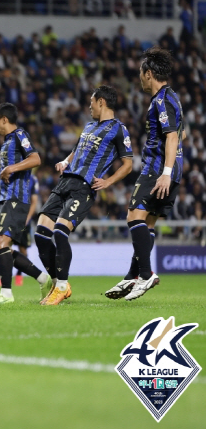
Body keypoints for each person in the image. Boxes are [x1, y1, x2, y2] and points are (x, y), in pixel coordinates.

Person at [35, 86, 133, 305]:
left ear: (101, 102)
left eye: (91, 103)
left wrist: (108, 181)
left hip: (84, 187)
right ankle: (60, 283)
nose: (89, 107)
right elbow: (77, 150)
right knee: (41, 234)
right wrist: (65, 161)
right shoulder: (89, 126)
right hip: (64, 182)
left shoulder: (119, 129)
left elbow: (128, 164)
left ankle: (60, 287)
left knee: (60, 232)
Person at [105, 47, 183, 301]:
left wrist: (166, 173)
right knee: (147, 224)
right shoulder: (169, 98)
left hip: (158, 170)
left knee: (133, 216)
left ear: (149, 74)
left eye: (141, 73)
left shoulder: (161, 100)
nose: (139, 78)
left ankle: (145, 274)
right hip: (169, 170)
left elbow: (171, 136)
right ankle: (133, 275)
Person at [0, 103, 50, 304]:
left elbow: (35, 159)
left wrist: (10, 168)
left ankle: (6, 294)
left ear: (4, 119)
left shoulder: (20, 135)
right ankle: (43, 278)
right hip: (5, 197)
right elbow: (10, 167)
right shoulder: (7, 141)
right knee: (4, 246)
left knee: (1, 242)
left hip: (15, 198)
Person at [0, 173, 39, 287]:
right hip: (8, 215)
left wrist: (27, 218)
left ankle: (19, 275)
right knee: (3, 246)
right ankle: (1, 277)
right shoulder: (7, 176)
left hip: (23, 217)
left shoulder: (32, 179)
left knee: (23, 248)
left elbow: (34, 201)